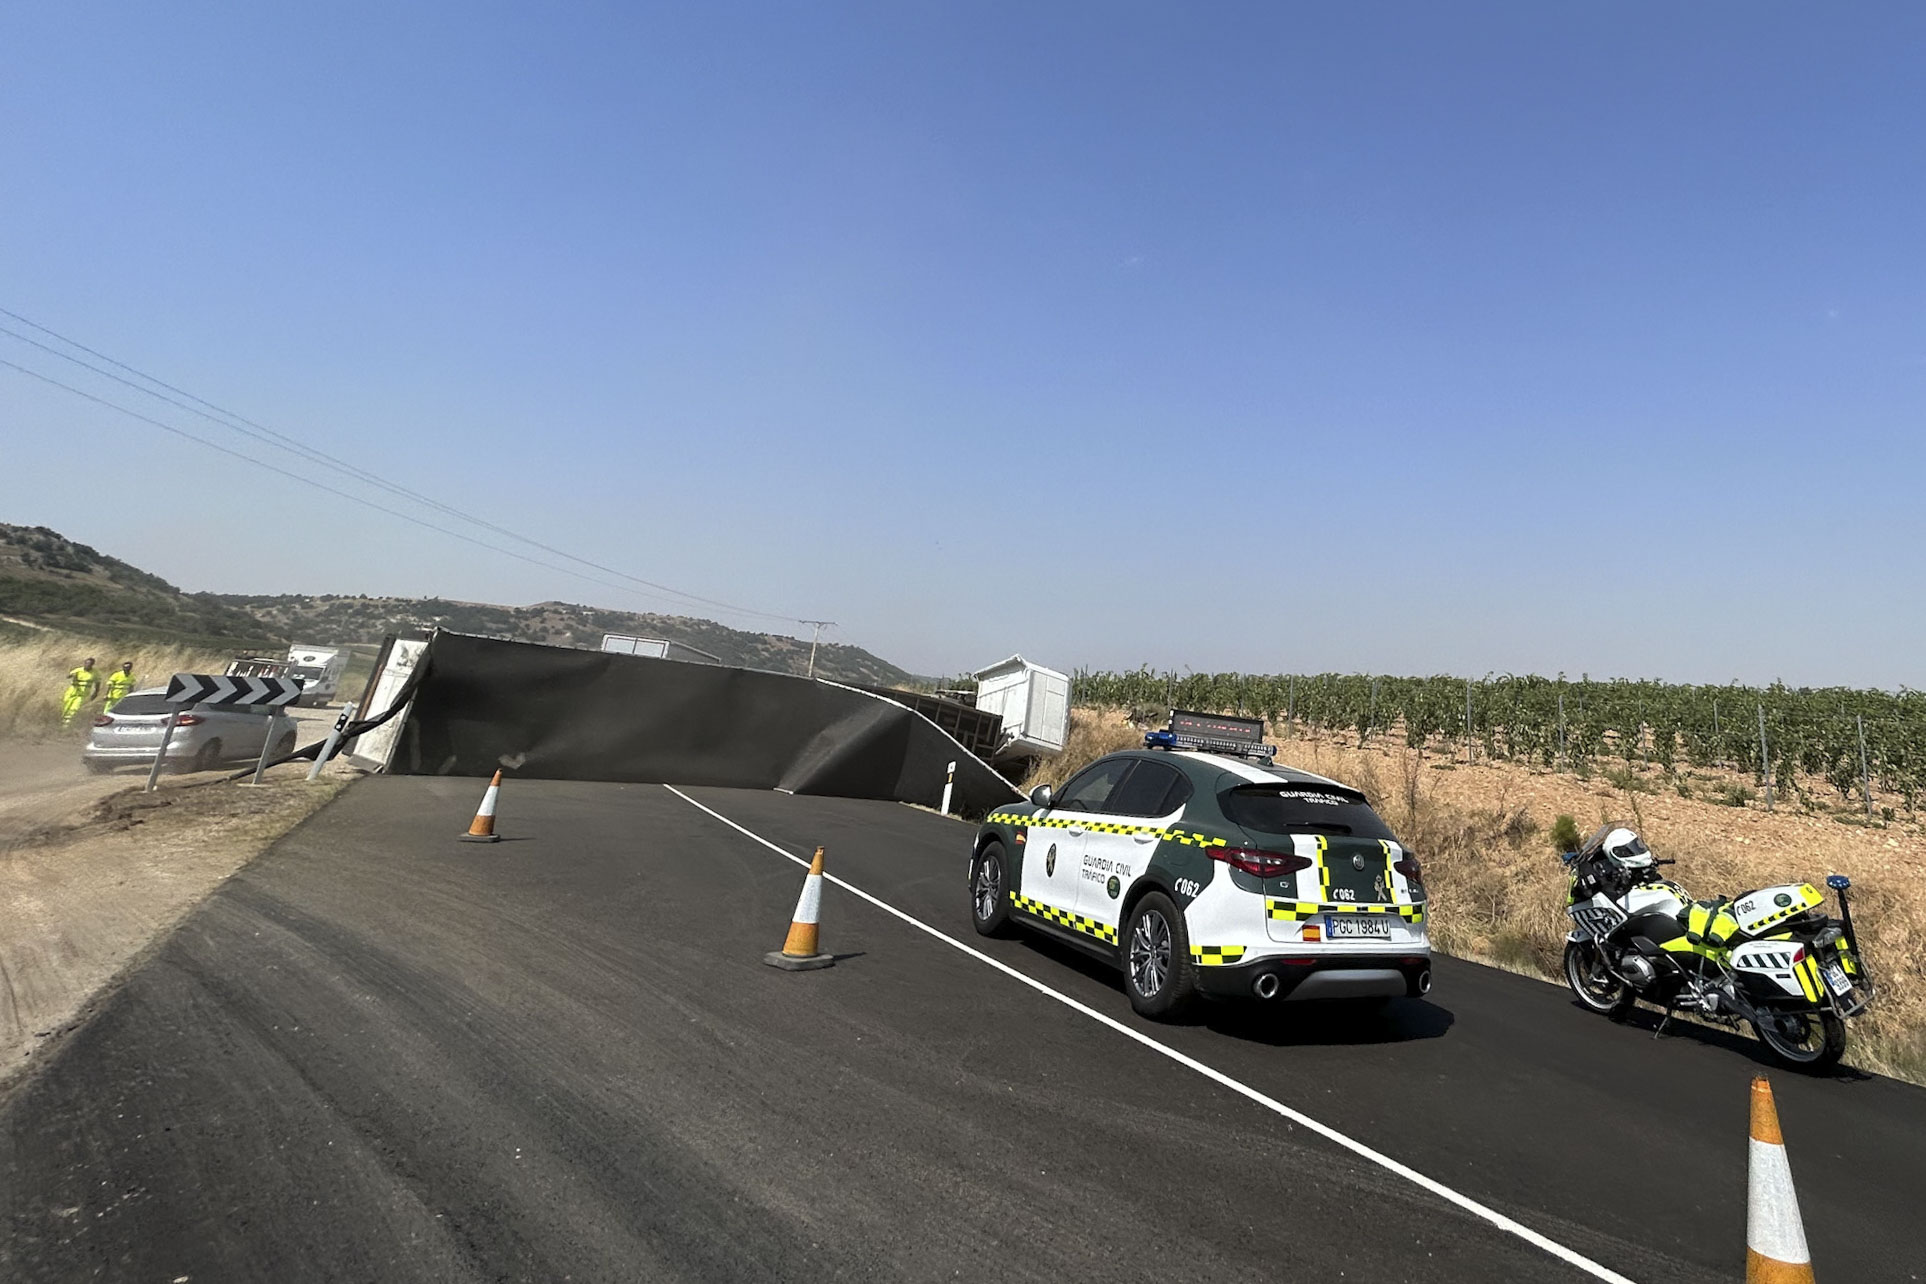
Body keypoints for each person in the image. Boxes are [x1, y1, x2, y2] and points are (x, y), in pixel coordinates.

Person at [61, 657, 101, 727]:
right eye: (87, 663)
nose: (88, 665)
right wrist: (72, 675)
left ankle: (67, 723)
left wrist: (95, 693)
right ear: (84, 663)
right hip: (72, 691)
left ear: (92, 665)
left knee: (74, 708)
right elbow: (68, 676)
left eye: (90, 664)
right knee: (66, 706)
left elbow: (97, 683)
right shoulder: (78, 670)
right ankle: (62, 720)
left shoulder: (95, 673)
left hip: (83, 694)